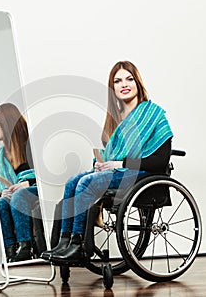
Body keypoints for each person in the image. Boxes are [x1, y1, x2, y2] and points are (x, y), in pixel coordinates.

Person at [41, 60, 173, 263]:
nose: (124, 84)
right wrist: (102, 164)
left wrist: (119, 164)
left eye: (129, 79)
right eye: (117, 81)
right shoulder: (116, 119)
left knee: (86, 182)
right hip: (119, 172)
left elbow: (160, 161)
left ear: (138, 83)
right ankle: (64, 242)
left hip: (143, 175)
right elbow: (113, 156)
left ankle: (78, 245)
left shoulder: (154, 115)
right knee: (72, 181)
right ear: (113, 88)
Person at [0, 103, 39, 262]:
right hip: (17, 193)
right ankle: (10, 250)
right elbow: (0, 184)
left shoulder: (31, 146)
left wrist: (28, 183)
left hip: (37, 190)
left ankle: (25, 246)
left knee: (19, 195)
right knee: (0, 203)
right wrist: (5, 191)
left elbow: (46, 175)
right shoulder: (1, 156)